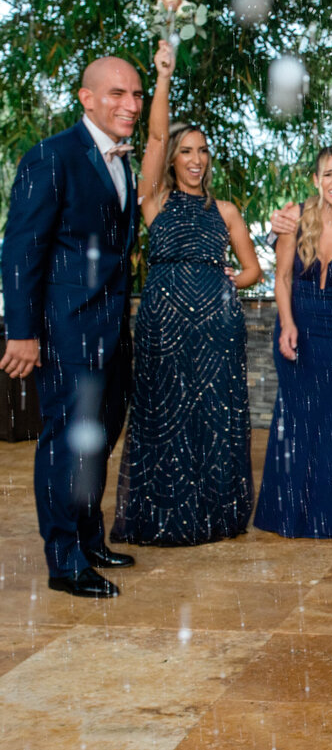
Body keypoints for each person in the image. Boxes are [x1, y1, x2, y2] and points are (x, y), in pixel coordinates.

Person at [0, 54, 144, 597]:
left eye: (135, 95)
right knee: (66, 444)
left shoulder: (121, 162)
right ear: (86, 98)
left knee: (99, 438)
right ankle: (65, 562)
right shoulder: (51, 157)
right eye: (116, 94)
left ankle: (89, 538)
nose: (130, 104)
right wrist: (22, 331)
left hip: (110, 330)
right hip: (65, 332)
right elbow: (21, 250)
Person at [111, 41, 261, 546]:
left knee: (214, 418)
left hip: (217, 330)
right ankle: (162, 516)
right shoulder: (154, 200)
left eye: (202, 150)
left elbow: (253, 270)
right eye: (186, 150)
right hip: (163, 324)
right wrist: (163, 77)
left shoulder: (228, 211)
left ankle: (214, 516)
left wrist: (222, 287)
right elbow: (153, 134)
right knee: (162, 413)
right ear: (173, 158)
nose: (195, 159)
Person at [254, 147, 332, 540]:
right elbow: (282, 278)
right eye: (329, 174)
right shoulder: (294, 216)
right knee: (296, 418)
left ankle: (330, 517)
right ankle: (288, 516)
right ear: (316, 180)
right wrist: (286, 324)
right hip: (297, 323)